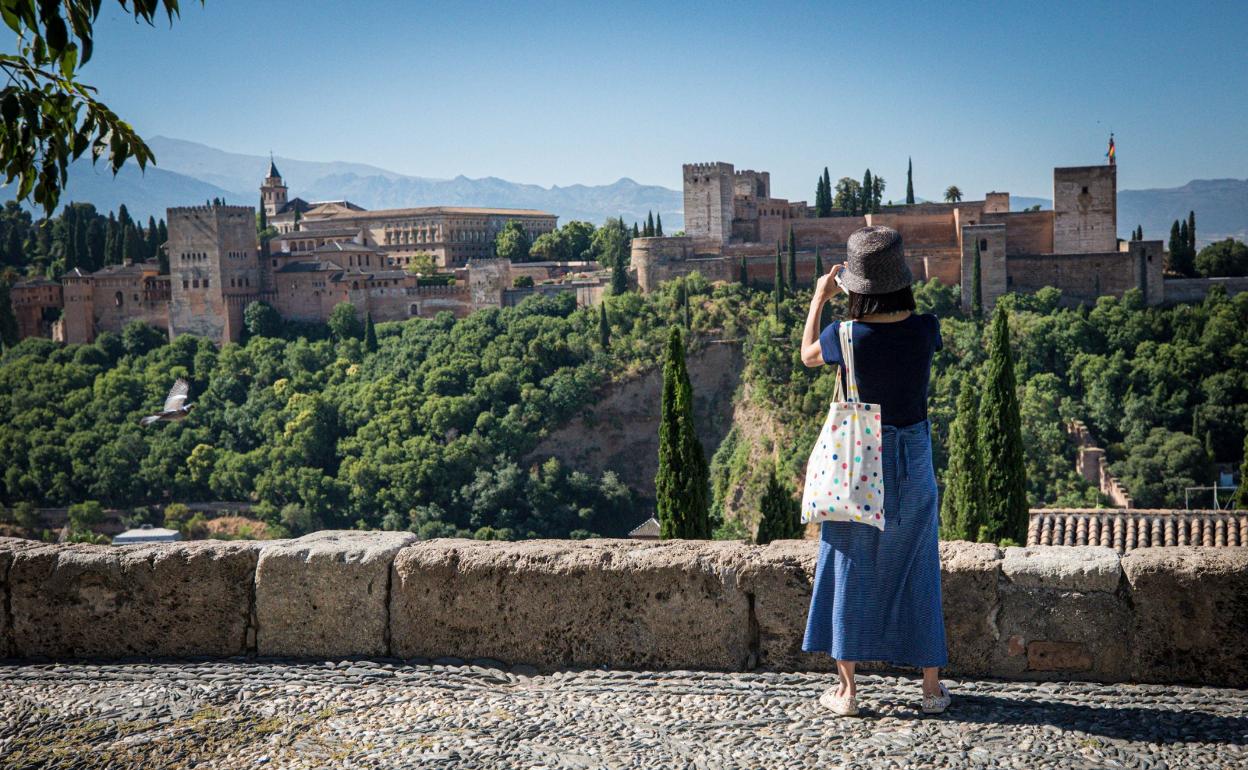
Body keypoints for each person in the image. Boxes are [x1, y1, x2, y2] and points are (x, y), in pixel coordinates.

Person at [798, 225, 950, 716]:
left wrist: (821, 297)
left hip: (859, 459)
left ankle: (847, 692)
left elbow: (807, 357)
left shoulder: (845, 336)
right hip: (916, 457)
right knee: (918, 565)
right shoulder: (927, 328)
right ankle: (930, 689)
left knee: (847, 562)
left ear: (854, 285)